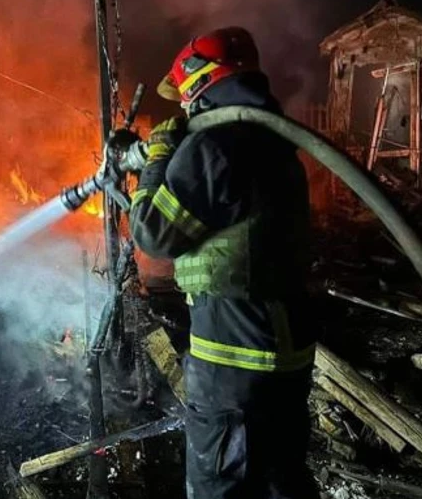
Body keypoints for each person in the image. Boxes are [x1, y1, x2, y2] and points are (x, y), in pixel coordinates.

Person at [125, 27, 318, 499]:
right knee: (280, 479)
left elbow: (152, 232)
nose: (184, 108)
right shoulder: (274, 143)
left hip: (234, 355)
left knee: (221, 483)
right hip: (286, 349)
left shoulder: (214, 145)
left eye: (185, 97)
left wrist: (158, 156)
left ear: (198, 84)